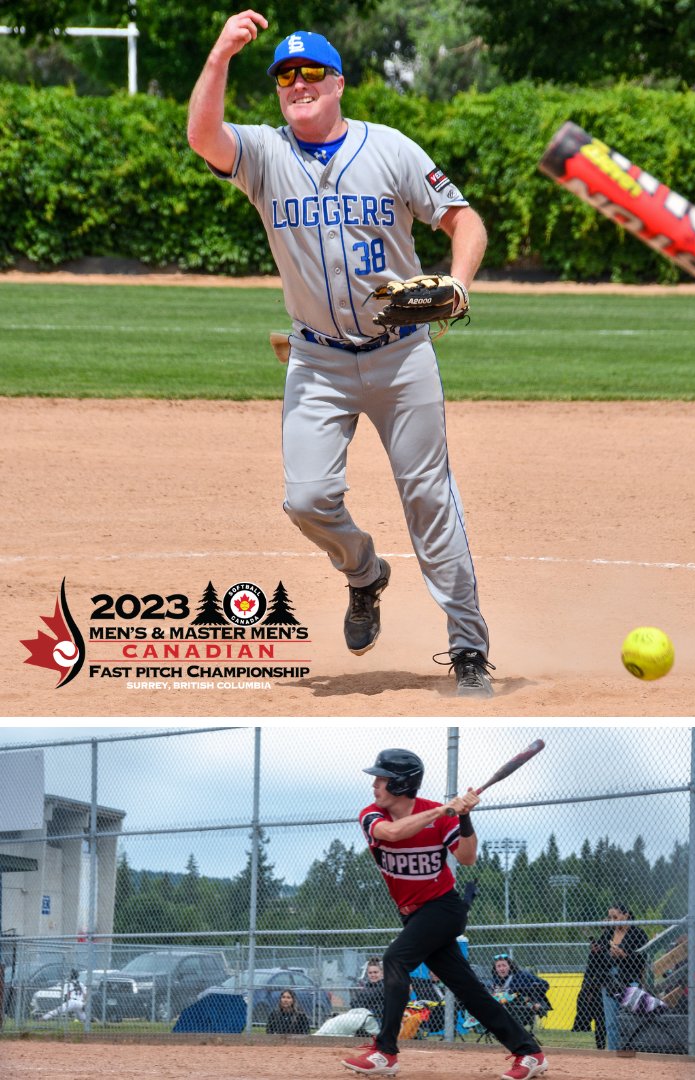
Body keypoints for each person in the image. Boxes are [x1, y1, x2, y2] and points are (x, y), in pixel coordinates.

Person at [187, 13, 495, 698]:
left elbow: (462, 219)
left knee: (429, 500)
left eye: (310, 73)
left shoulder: (388, 150)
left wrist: (459, 282)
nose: (297, 84)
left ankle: (469, 648)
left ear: (338, 84)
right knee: (306, 499)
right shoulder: (264, 155)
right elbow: (202, 136)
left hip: (400, 355)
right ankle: (364, 570)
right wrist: (219, 56)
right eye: (285, 77)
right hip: (318, 362)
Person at [342, 748, 547, 1079]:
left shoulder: (440, 815)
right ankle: (529, 1052)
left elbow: (467, 858)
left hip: (444, 908)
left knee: (395, 959)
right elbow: (394, 833)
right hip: (413, 915)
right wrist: (444, 810)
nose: (375, 785)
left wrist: (463, 815)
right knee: (469, 989)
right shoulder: (371, 815)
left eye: (382, 779)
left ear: (400, 785)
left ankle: (385, 1052)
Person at [596, 903, 648, 1051]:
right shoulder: (608, 934)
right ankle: (613, 1054)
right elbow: (600, 959)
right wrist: (601, 952)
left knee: (630, 1021)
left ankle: (630, 1051)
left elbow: (642, 959)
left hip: (630, 979)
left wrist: (624, 955)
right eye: (610, 917)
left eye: (615, 917)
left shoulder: (638, 933)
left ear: (625, 915)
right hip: (610, 980)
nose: (612, 921)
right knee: (611, 1022)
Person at [488, 955, 551, 1030]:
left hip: (519, 1009)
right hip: (499, 1007)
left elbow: (545, 984)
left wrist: (534, 996)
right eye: (498, 966)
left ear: (510, 966)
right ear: (495, 968)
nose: (501, 968)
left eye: (504, 965)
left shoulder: (521, 976)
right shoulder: (495, 980)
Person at [571, 932, 609, 1049]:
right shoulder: (593, 955)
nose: (594, 948)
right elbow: (588, 973)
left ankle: (605, 1044)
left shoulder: (607, 952)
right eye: (592, 946)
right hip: (594, 989)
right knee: (599, 1017)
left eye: (597, 946)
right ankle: (600, 1045)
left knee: (602, 1019)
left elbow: (605, 970)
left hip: (606, 987)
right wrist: (587, 989)